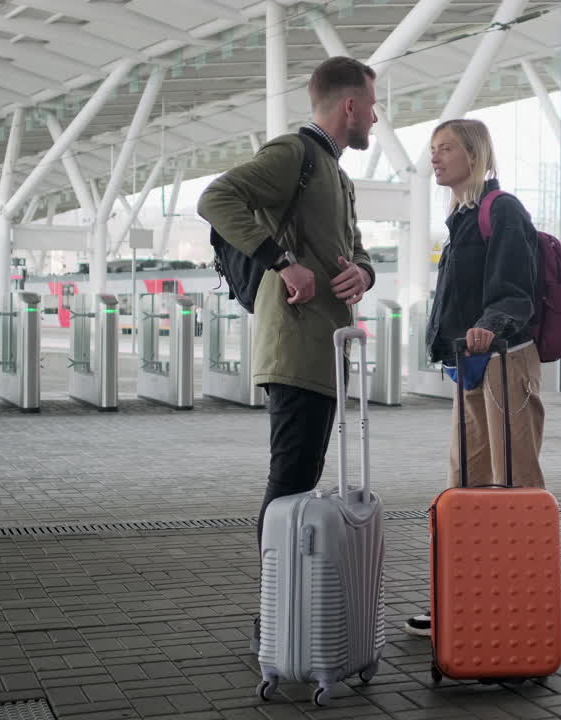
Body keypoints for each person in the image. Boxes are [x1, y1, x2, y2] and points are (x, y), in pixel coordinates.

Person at [197, 56, 378, 549]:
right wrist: (284, 263)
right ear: (349, 106)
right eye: (372, 105)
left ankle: (285, 606)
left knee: (300, 484)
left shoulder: (337, 176)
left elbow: (356, 248)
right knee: (288, 487)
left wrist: (362, 272)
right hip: (296, 347)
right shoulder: (293, 153)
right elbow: (216, 198)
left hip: (325, 348)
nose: (375, 117)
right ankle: (276, 611)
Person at [405, 118, 542, 638]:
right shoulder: (461, 217)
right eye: (432, 149)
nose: (435, 158)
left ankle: (523, 603)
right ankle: (460, 598)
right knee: (464, 483)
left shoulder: (501, 209)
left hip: (507, 361)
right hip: (472, 364)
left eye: (446, 149)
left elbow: (516, 290)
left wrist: (488, 325)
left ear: (475, 154)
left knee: (515, 481)